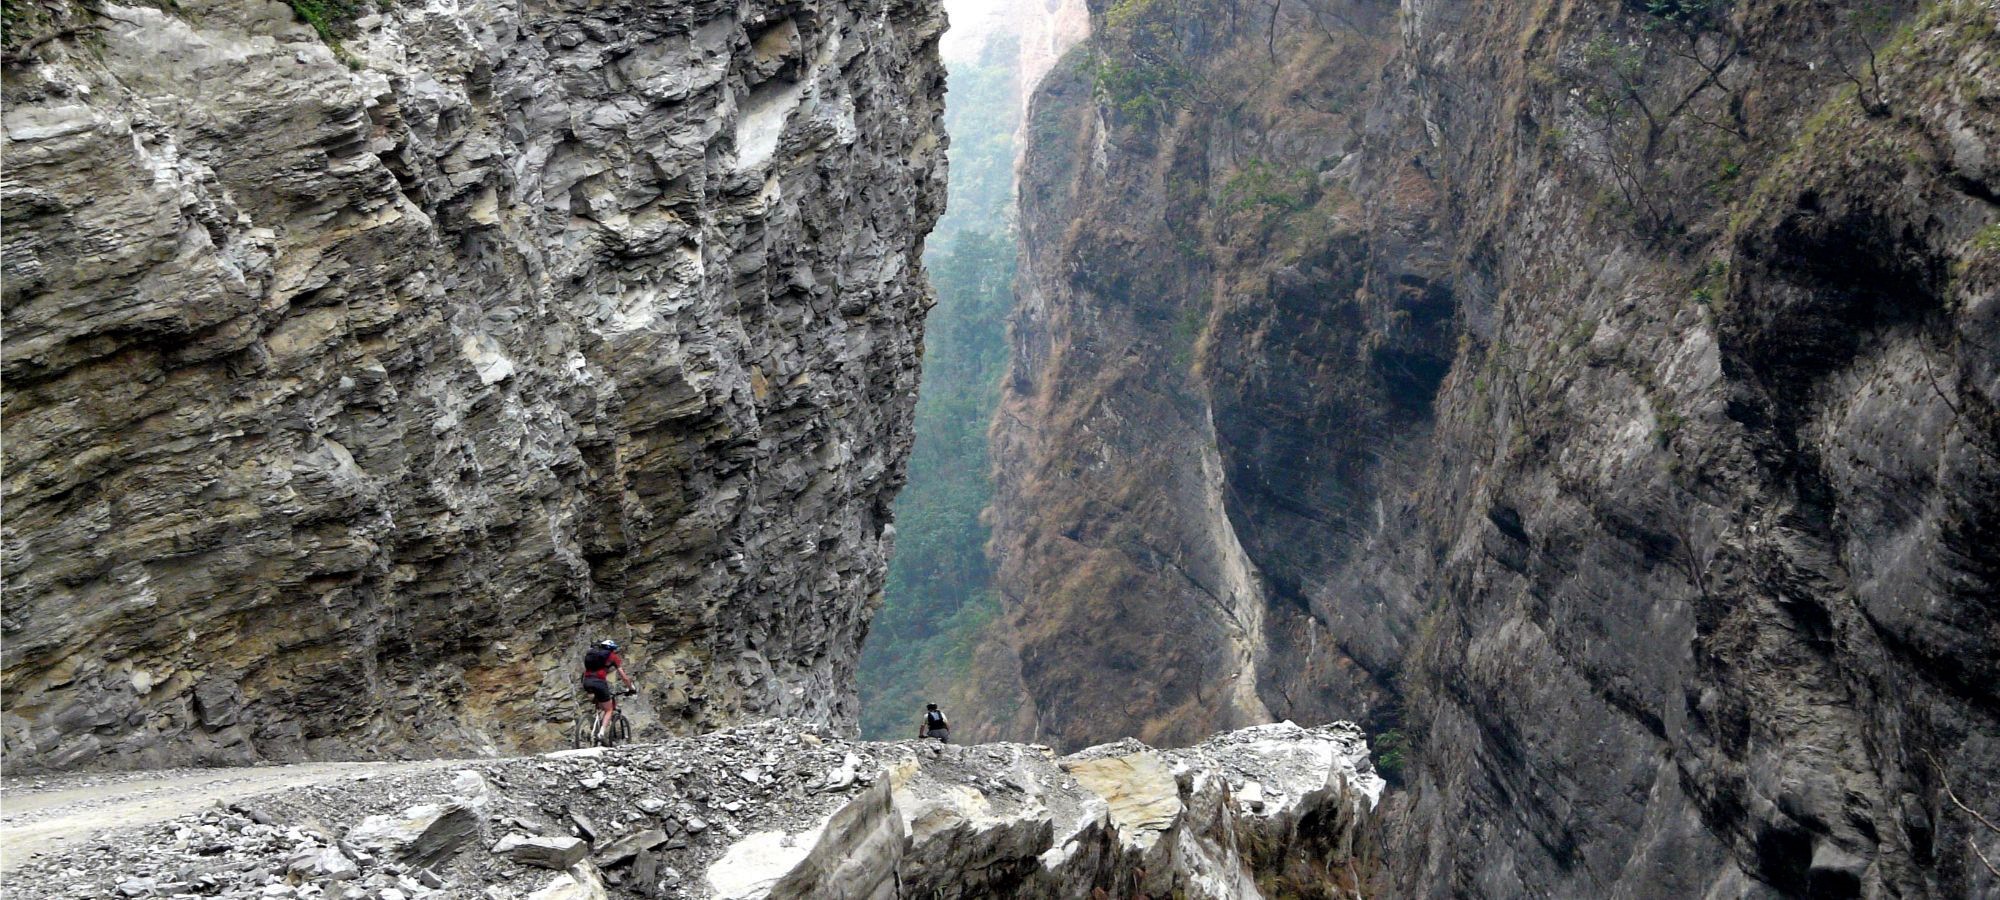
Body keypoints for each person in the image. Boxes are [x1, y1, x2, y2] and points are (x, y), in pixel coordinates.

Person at [583, 640, 635, 742]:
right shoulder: (612, 656)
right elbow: (624, 677)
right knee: (609, 709)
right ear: (612, 649)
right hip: (599, 683)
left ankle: (595, 721)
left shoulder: (593, 655)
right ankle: (601, 733)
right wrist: (631, 688)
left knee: (599, 702)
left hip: (587, 682)